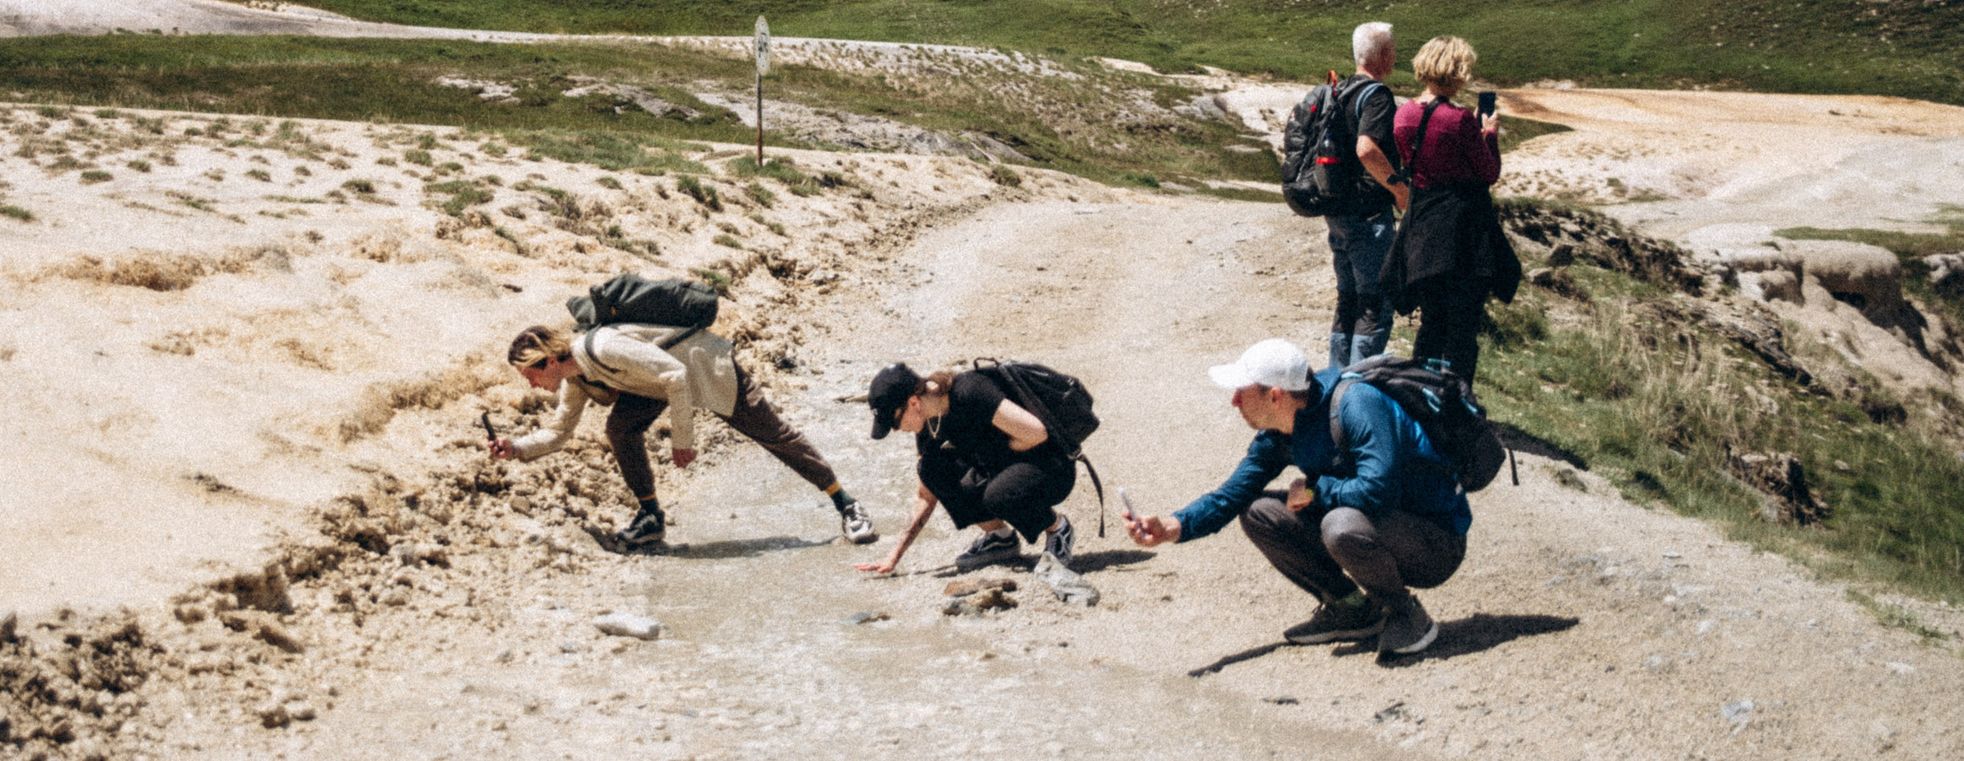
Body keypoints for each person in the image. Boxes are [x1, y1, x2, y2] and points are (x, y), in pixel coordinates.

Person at [1124, 338, 1469, 660]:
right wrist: (1173, 526)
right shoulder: (1280, 433)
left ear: (1275, 396)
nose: (1234, 401)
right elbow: (1231, 495)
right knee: (1259, 512)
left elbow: (1379, 491)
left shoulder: (1358, 403)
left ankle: (1405, 614)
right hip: (1376, 530)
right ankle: (1351, 609)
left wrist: (1316, 490)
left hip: (1435, 543)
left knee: (1339, 524)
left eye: (1242, 391)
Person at [490, 324, 877, 548]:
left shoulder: (603, 347)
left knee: (774, 435)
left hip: (705, 368)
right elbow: (559, 431)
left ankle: (846, 503)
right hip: (658, 385)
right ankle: (650, 517)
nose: (531, 384)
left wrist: (682, 441)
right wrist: (516, 447)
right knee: (620, 428)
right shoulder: (576, 378)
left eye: (530, 375)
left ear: (550, 361)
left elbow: (676, 374)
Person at [1380, 35, 1521, 383]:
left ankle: (1421, 393)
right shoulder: (1459, 120)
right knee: (1462, 330)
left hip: (1423, 228)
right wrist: (1489, 134)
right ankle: (1457, 402)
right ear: (1458, 72)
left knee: (1432, 322)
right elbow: (1488, 172)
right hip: (1463, 232)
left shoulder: (1404, 114)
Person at [854, 364, 1078, 580]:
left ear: (913, 402)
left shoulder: (970, 391)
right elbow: (925, 495)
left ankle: (1058, 528)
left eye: (894, 422)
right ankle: (1000, 538)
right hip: (1010, 467)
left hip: (1052, 467)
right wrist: (894, 556)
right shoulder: (930, 425)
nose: (896, 430)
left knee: (998, 495)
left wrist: (994, 455)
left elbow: (1036, 433)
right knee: (932, 470)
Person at [1327, 21, 1412, 369]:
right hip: (1368, 216)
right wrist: (1398, 189)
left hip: (1337, 211)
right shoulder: (1377, 96)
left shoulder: (1340, 90)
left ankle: (1335, 379)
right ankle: (1358, 383)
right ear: (1385, 55)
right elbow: (1366, 149)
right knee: (1373, 304)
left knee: (1347, 300)